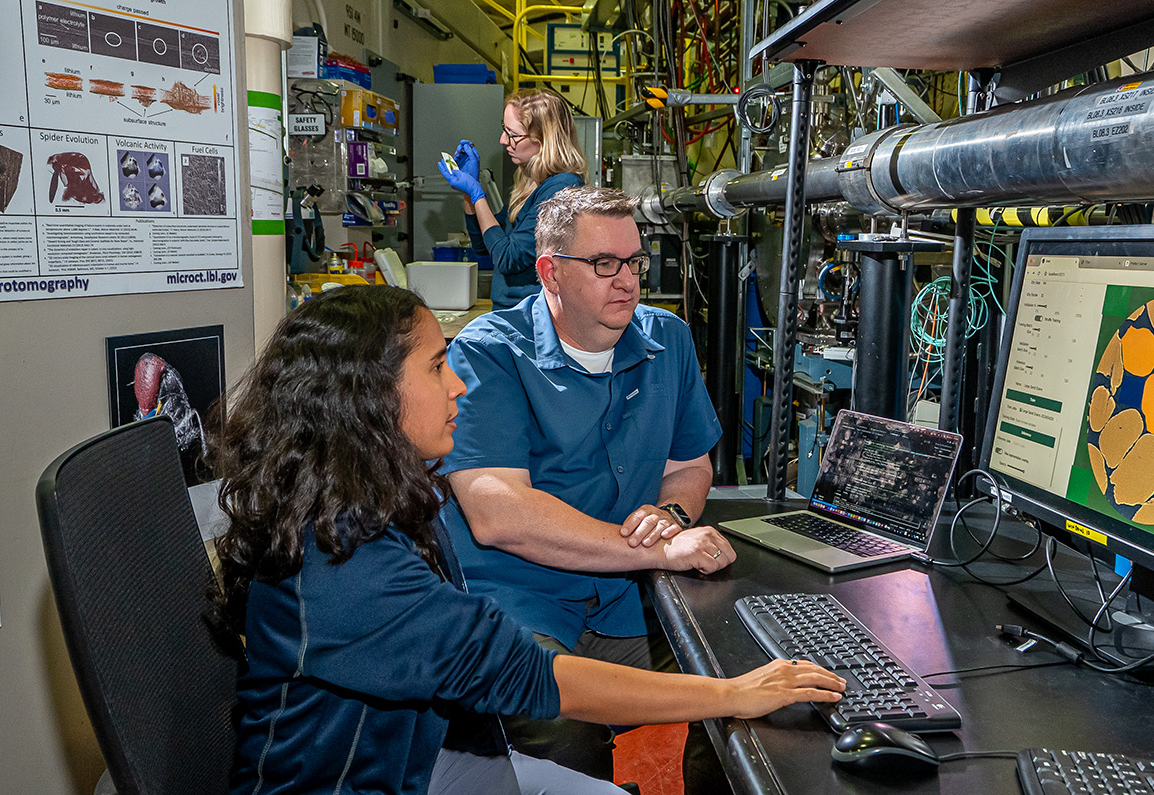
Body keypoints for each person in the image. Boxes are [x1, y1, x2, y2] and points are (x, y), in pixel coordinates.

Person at [212, 285, 844, 795]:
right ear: (367, 397)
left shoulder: (374, 498)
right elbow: (532, 678)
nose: (458, 385)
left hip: (412, 756)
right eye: (437, 368)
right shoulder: (345, 565)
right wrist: (732, 694)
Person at [440, 186, 735, 789]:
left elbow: (690, 462)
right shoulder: (491, 353)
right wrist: (656, 549)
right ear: (549, 272)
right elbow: (499, 513)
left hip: (631, 600)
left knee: (730, 693)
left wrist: (671, 512)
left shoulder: (668, 340)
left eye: (634, 262)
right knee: (560, 733)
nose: (626, 279)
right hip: (520, 599)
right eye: (605, 264)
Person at [438, 89, 586, 309]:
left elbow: (509, 258)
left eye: (513, 134)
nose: (503, 140)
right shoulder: (531, 183)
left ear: (543, 138)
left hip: (532, 318)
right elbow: (485, 245)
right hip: (513, 313)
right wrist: (469, 194)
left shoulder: (561, 187)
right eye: (503, 130)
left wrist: (478, 194)